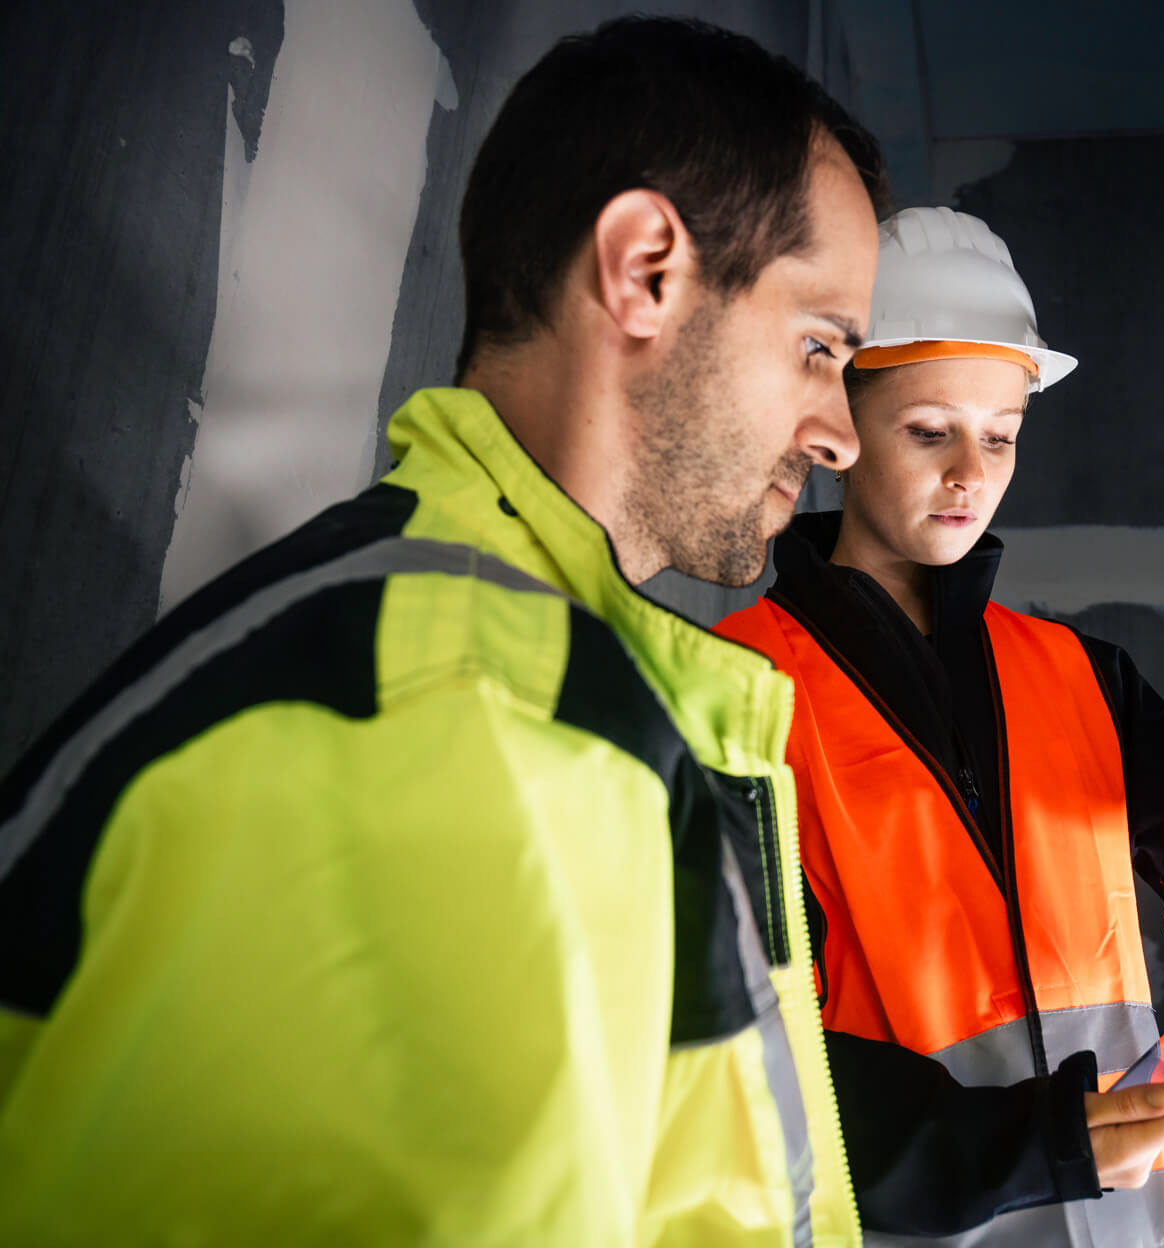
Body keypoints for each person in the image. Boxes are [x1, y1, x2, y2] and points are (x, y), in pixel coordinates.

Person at [0, 19, 886, 1245]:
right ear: (645, 273)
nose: (842, 432)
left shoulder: (506, 685)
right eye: (819, 347)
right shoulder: (470, 710)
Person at [714, 206, 1164, 1244]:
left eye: (1000, 436)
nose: (970, 472)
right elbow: (749, 1060)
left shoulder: (1075, 673)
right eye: (929, 431)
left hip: (1123, 1220)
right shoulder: (738, 689)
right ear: (839, 430)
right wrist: (1046, 1146)